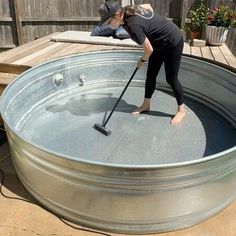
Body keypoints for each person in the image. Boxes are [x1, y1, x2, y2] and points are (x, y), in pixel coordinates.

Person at [98, 1, 186, 125]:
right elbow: (148, 6)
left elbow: (148, 49)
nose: (108, 24)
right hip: (158, 42)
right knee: (150, 75)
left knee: (171, 79)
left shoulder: (133, 26)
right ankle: (146, 105)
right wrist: (153, 27)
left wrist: (142, 60)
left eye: (108, 21)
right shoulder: (130, 9)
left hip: (173, 41)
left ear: (117, 15)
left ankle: (181, 110)